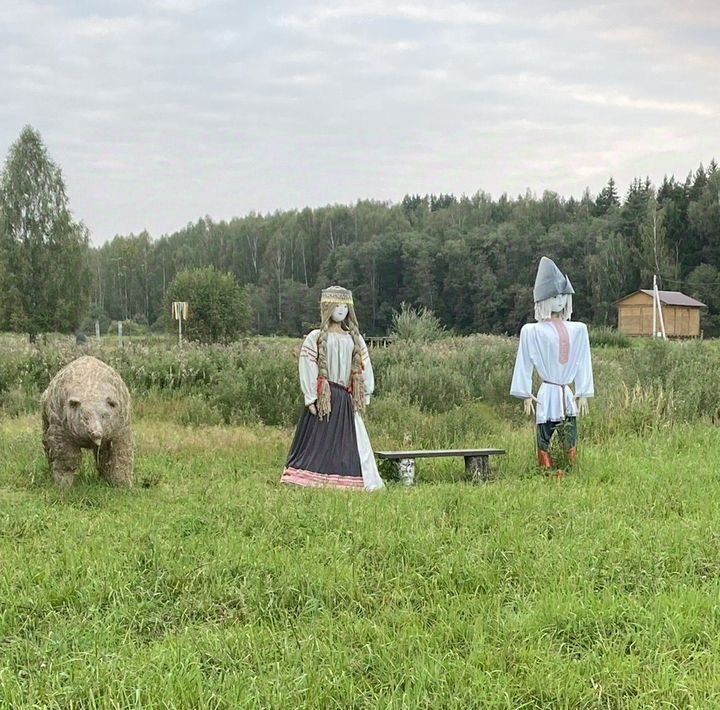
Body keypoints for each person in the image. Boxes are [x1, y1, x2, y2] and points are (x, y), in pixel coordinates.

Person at [280, 286, 385, 491]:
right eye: (336, 305)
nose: (341, 310)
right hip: (324, 398)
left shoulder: (355, 339)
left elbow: (365, 368)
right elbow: (308, 365)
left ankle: (347, 479)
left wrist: (363, 394)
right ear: (327, 307)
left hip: (345, 400)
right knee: (317, 442)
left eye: (344, 306)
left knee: (348, 443)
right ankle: (311, 477)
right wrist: (311, 396)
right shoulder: (315, 337)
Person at [510, 257, 594, 475]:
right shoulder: (532, 331)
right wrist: (525, 393)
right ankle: (545, 466)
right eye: (554, 296)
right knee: (544, 430)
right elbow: (524, 362)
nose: (559, 301)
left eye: (562, 296)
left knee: (570, 429)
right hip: (548, 390)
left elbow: (584, 360)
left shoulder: (578, 329)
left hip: (566, 390)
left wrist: (583, 391)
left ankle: (571, 464)